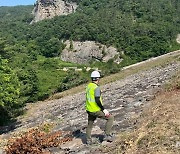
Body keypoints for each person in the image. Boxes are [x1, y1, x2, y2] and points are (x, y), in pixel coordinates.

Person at [85, 70, 114, 145]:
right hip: (95, 109)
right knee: (110, 118)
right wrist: (104, 110)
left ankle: (88, 140)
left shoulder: (89, 86)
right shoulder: (96, 88)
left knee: (90, 125)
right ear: (98, 78)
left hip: (89, 109)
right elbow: (97, 100)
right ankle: (107, 135)